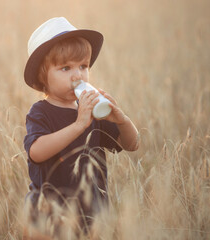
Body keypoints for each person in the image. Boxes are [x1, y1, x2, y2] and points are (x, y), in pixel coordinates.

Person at [23, 17, 139, 238]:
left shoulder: (92, 109)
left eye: (83, 66)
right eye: (65, 68)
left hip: (91, 212)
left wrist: (122, 120)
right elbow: (36, 152)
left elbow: (132, 144)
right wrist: (78, 125)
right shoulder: (40, 112)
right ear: (43, 77)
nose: (77, 75)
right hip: (50, 215)